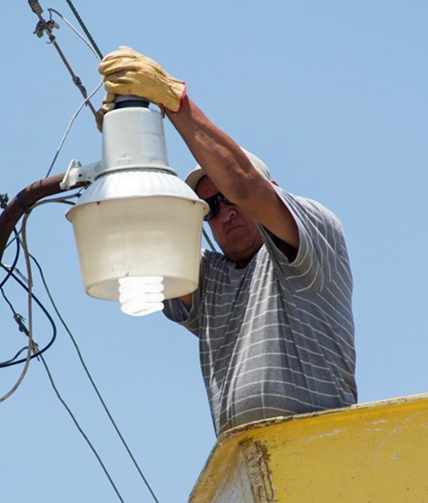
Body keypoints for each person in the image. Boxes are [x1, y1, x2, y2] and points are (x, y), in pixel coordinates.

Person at [99, 47, 357, 435]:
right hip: (244, 458)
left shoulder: (315, 235)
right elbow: (148, 235)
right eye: (210, 208)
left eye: (229, 200)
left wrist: (173, 100)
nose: (224, 213)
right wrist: (126, 143)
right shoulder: (211, 282)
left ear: (271, 191)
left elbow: (243, 184)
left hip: (319, 448)